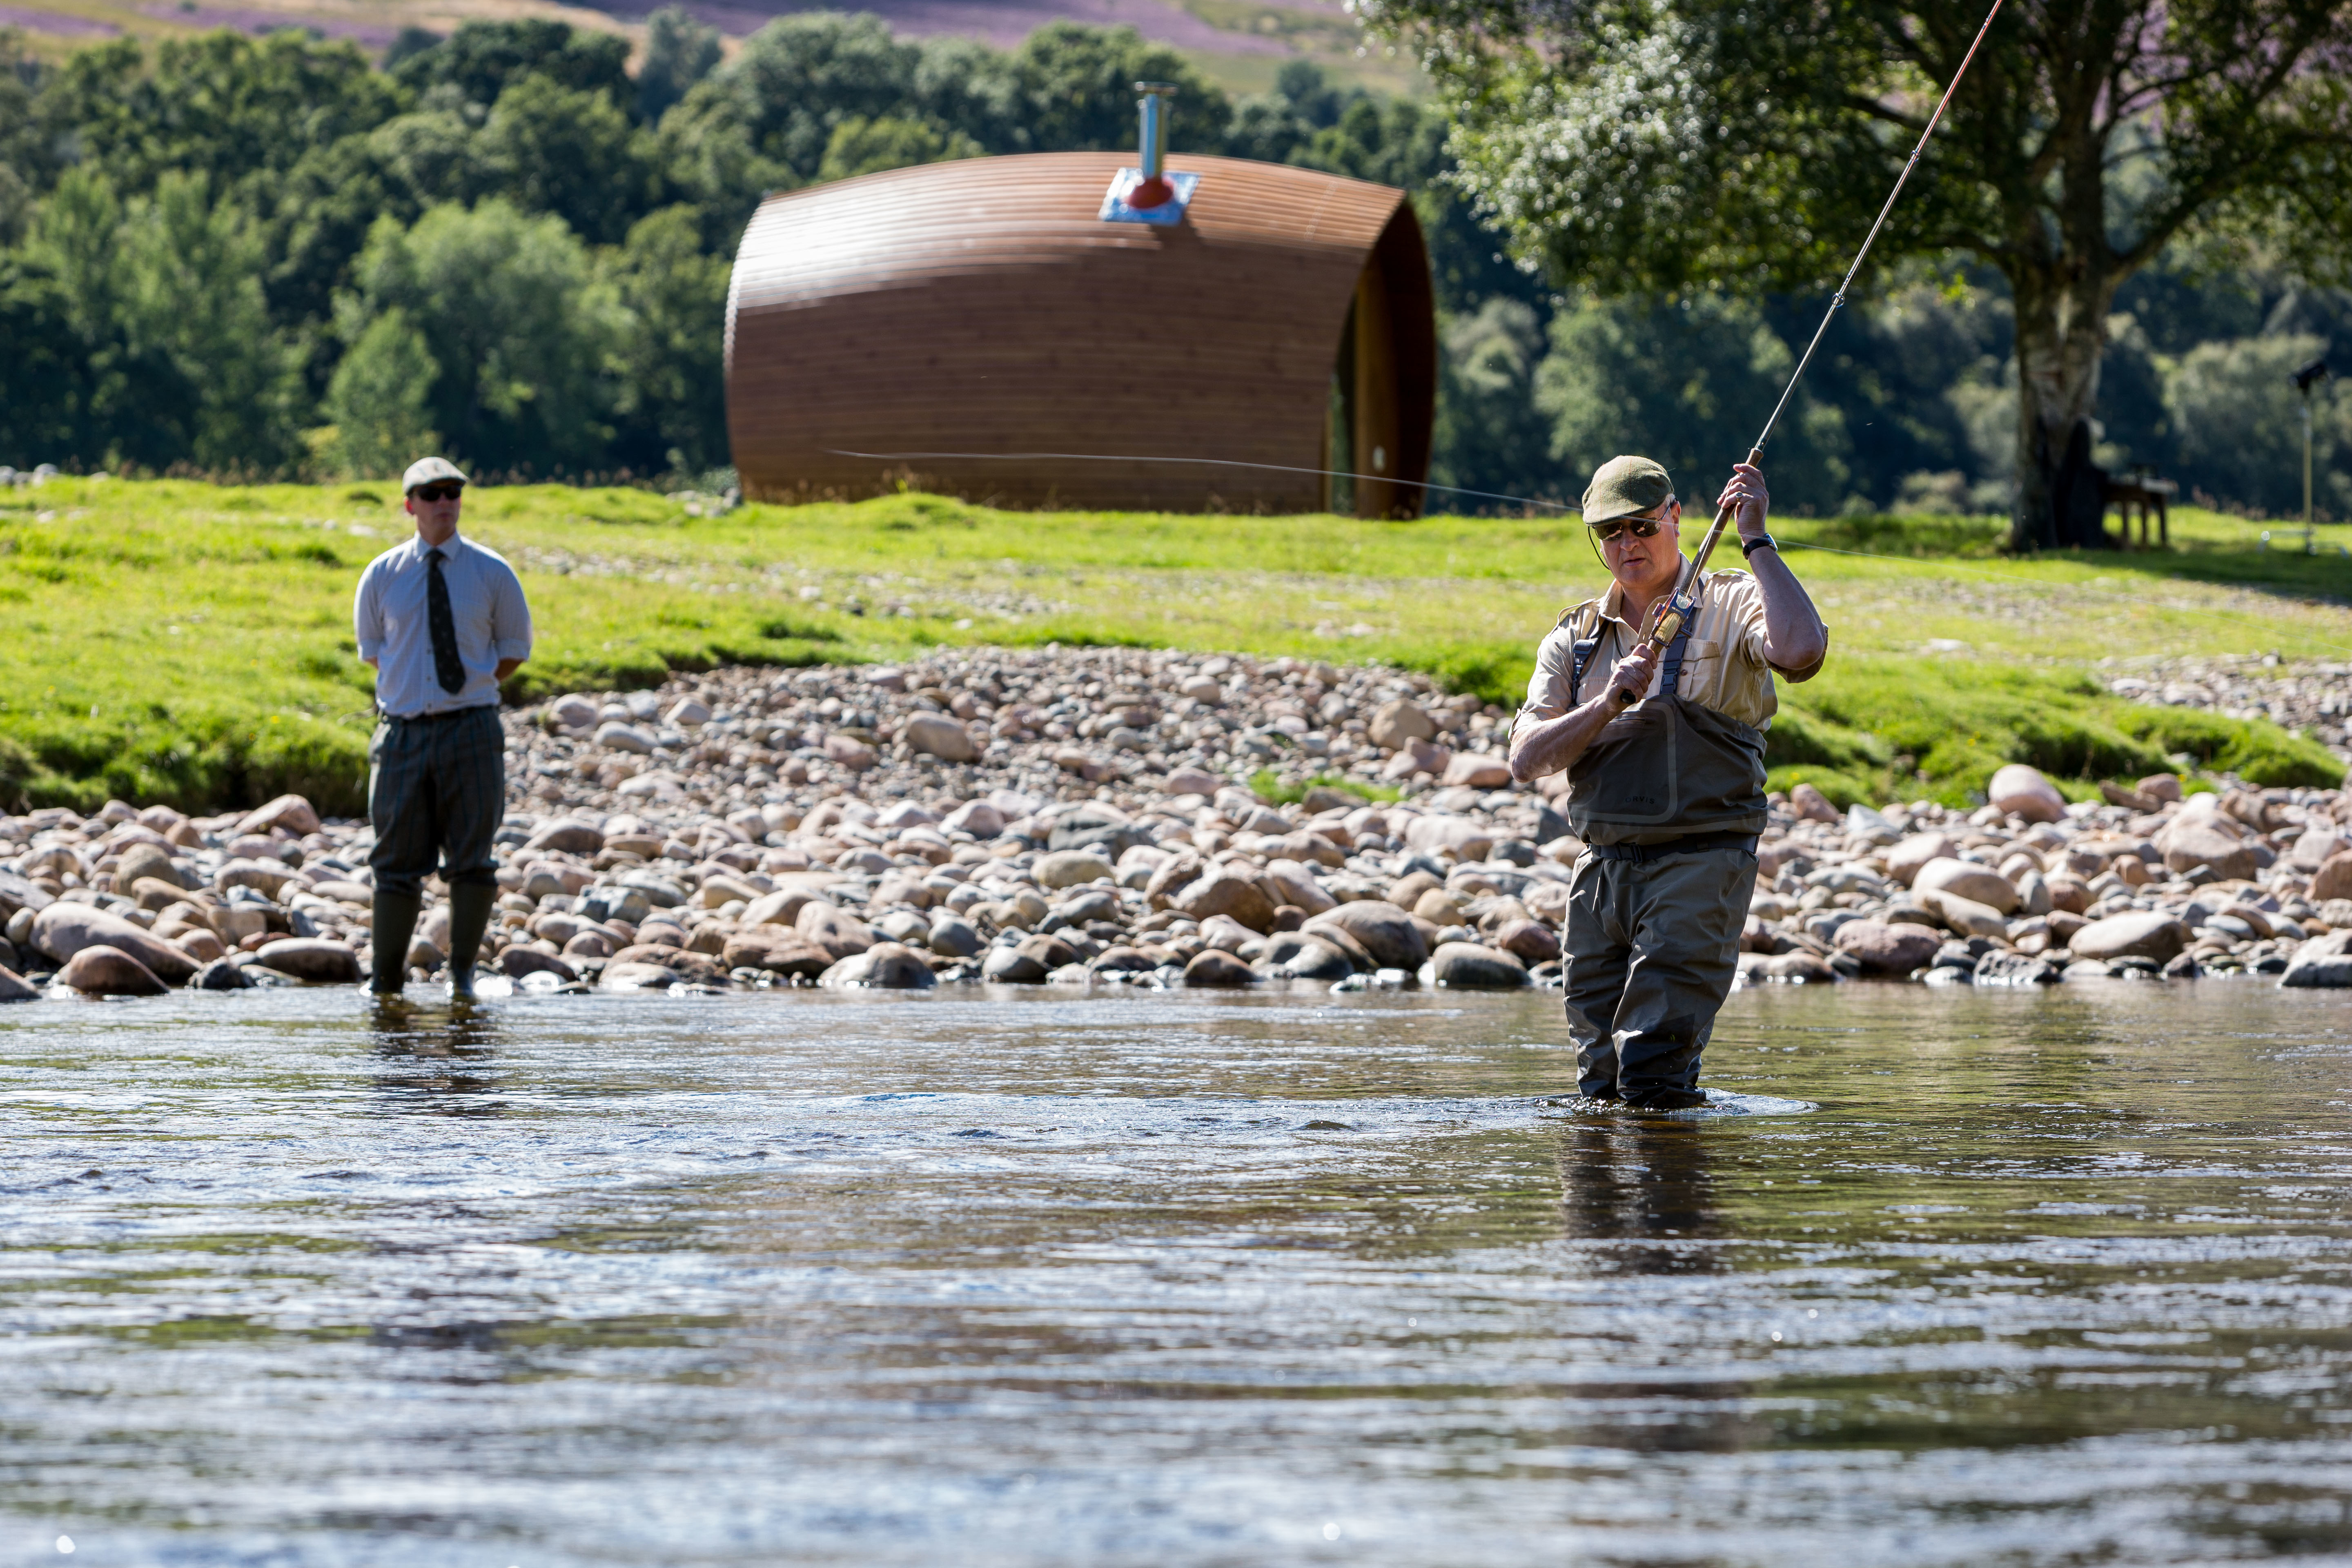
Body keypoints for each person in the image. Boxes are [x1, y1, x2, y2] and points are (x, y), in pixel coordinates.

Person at [1508, 455, 1829, 1108]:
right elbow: (1527, 760)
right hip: (1601, 873)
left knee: (1653, 1071)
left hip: (1702, 863)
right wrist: (1606, 704)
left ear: (1675, 517)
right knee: (1599, 1084)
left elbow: (1801, 653)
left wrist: (1757, 538)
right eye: (1610, 532)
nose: (1627, 543)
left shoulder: (1733, 600)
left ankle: (1669, 1176)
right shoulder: (1574, 638)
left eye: (1641, 526)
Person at [353, 457, 533, 998]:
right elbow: (375, 654)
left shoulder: (492, 573)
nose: (444, 503)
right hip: (403, 733)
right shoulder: (382, 574)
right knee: (394, 863)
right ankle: (385, 984)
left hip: (472, 730)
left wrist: (467, 688)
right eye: (431, 494)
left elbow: (513, 650)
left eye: (453, 492)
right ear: (410, 504)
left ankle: (463, 980)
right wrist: (417, 693)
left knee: (473, 860)